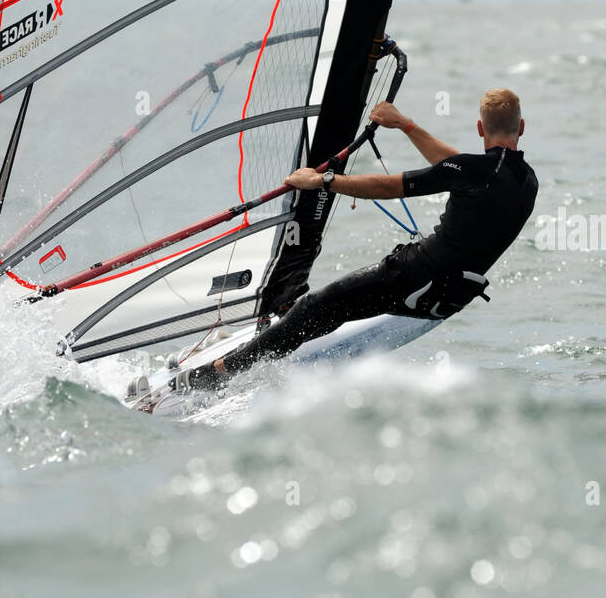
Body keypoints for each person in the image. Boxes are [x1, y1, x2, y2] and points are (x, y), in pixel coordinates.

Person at [179, 87, 537, 391]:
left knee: (313, 309)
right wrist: (407, 126)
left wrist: (324, 181)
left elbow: (390, 185)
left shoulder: (474, 171)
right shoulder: (527, 182)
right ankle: (289, 346)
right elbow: (456, 166)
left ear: (479, 128)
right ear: (521, 126)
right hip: (448, 298)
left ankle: (217, 374)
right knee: (336, 311)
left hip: (412, 277)